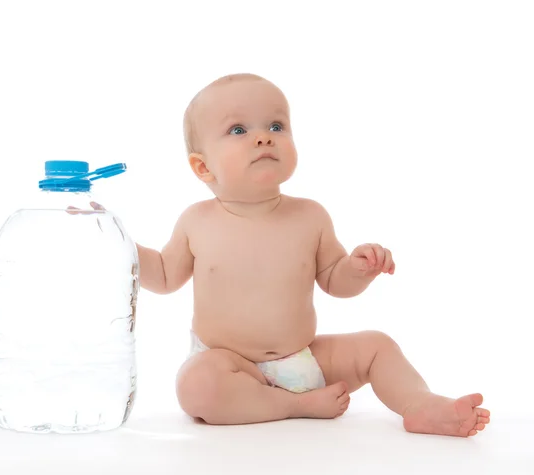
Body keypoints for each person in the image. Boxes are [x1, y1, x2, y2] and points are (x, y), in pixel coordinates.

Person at [96, 73, 490, 436]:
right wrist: (118, 243)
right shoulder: (196, 221)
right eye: (238, 130)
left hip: (304, 359)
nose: (264, 137)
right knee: (196, 385)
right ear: (202, 167)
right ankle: (293, 406)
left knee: (378, 345)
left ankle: (418, 404)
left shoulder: (310, 215)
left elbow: (335, 280)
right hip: (234, 368)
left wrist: (358, 268)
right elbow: (164, 275)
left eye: (276, 126)